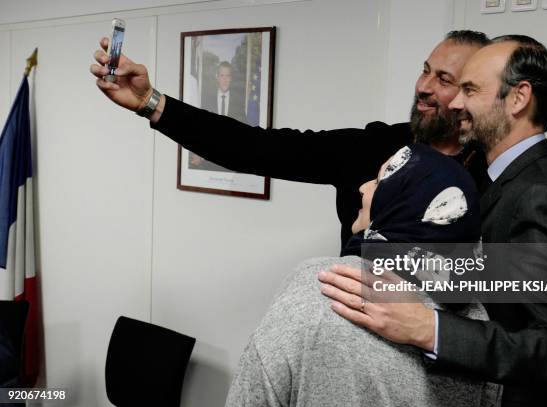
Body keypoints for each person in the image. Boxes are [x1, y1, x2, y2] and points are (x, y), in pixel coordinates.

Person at [319, 35, 547, 407]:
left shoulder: (541, 194)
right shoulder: (496, 177)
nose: (457, 103)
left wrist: (427, 328)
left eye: (469, 89)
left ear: (518, 98)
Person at [90, 30, 490, 248]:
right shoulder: (374, 146)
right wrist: (150, 102)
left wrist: (424, 320)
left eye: (443, 79)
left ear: (474, 90)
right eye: (425, 70)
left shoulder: (498, 173)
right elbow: (255, 148)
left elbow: (515, 282)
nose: (422, 86)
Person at [225, 143, 501, 407]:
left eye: (380, 182)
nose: (363, 187)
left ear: (403, 202)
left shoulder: (321, 283)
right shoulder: (475, 324)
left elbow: (253, 394)